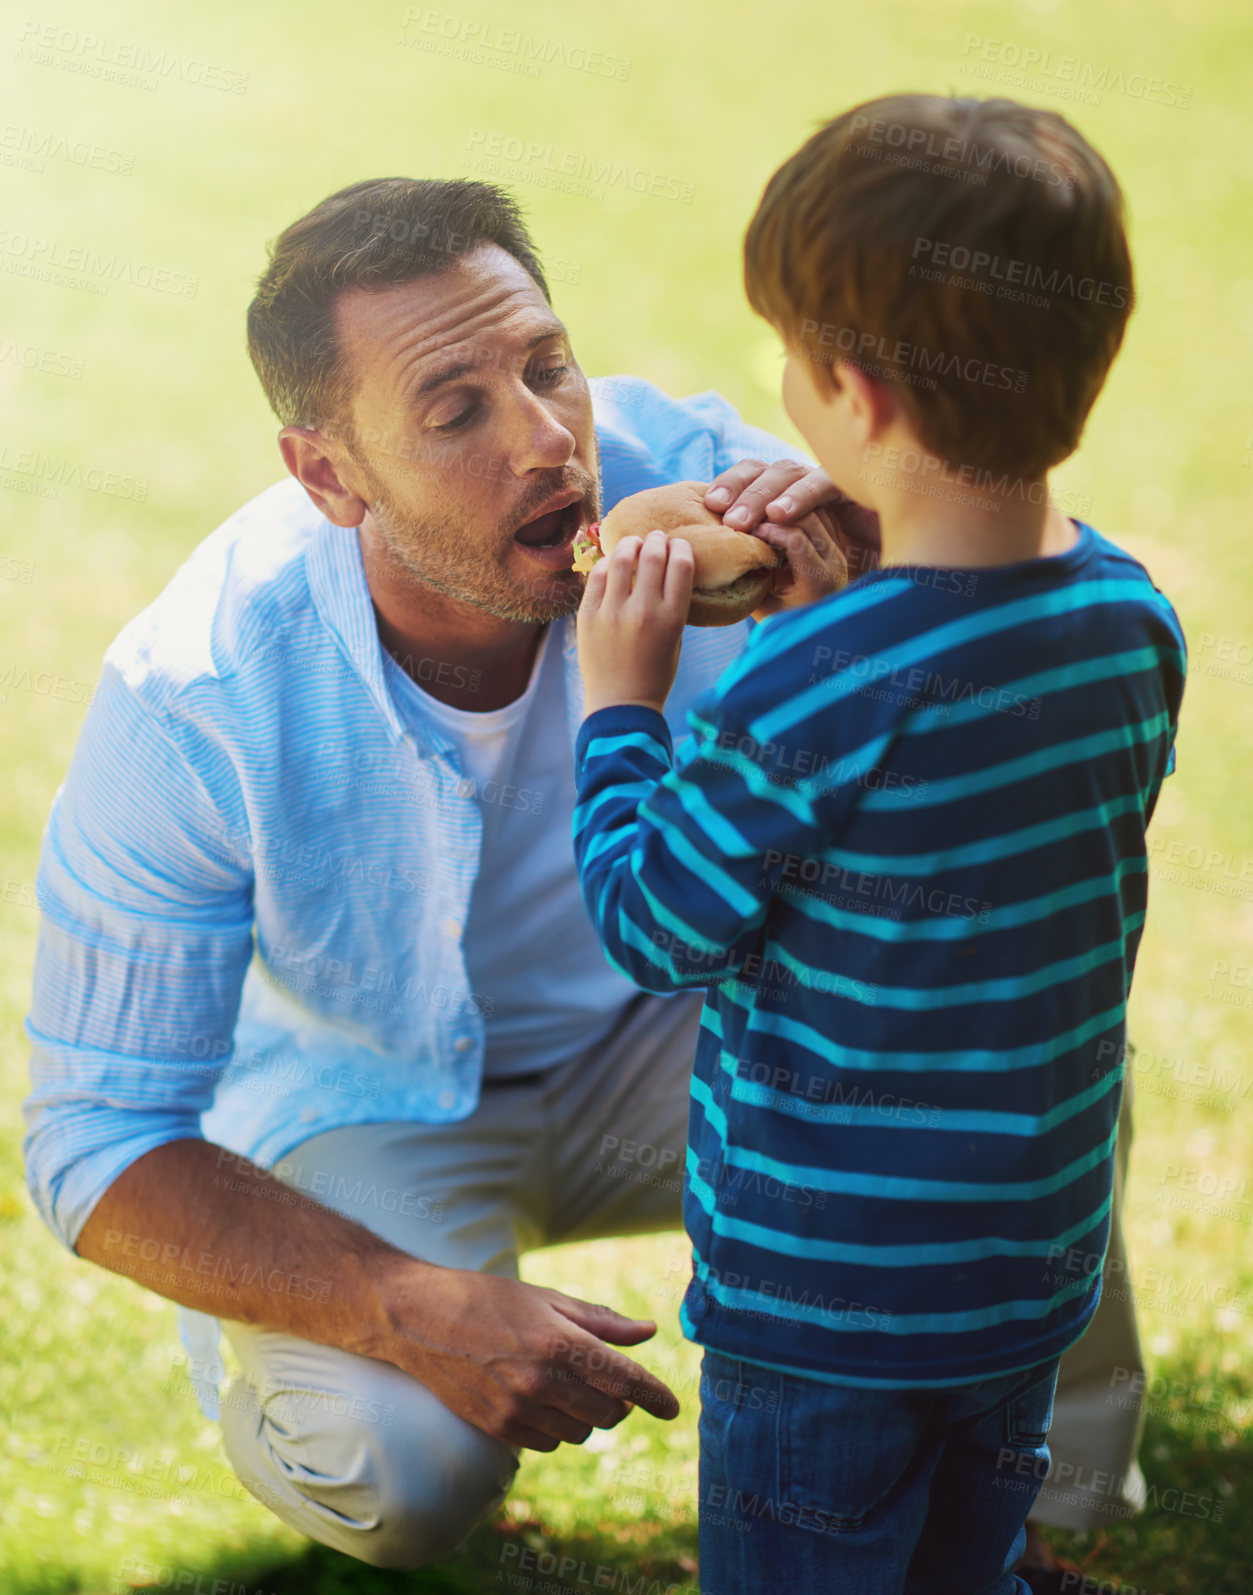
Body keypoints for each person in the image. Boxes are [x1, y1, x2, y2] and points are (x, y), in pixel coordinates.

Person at [20, 175, 860, 1570]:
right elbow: (92, 1138)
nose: (548, 442)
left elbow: (1018, 740)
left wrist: (873, 604)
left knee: (1009, 1072)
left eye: (547, 368)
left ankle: (1046, 1513)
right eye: (455, 408)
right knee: (390, 1475)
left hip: (692, 1041)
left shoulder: (725, 497)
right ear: (329, 474)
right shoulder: (197, 693)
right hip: (376, 1102)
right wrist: (403, 1304)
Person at [571, 93, 1185, 1595]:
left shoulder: (806, 687)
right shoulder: (1127, 622)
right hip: (1021, 1276)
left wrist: (622, 704)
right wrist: (861, 556)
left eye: (789, 357)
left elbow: (655, 926)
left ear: (854, 392)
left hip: (828, 1308)